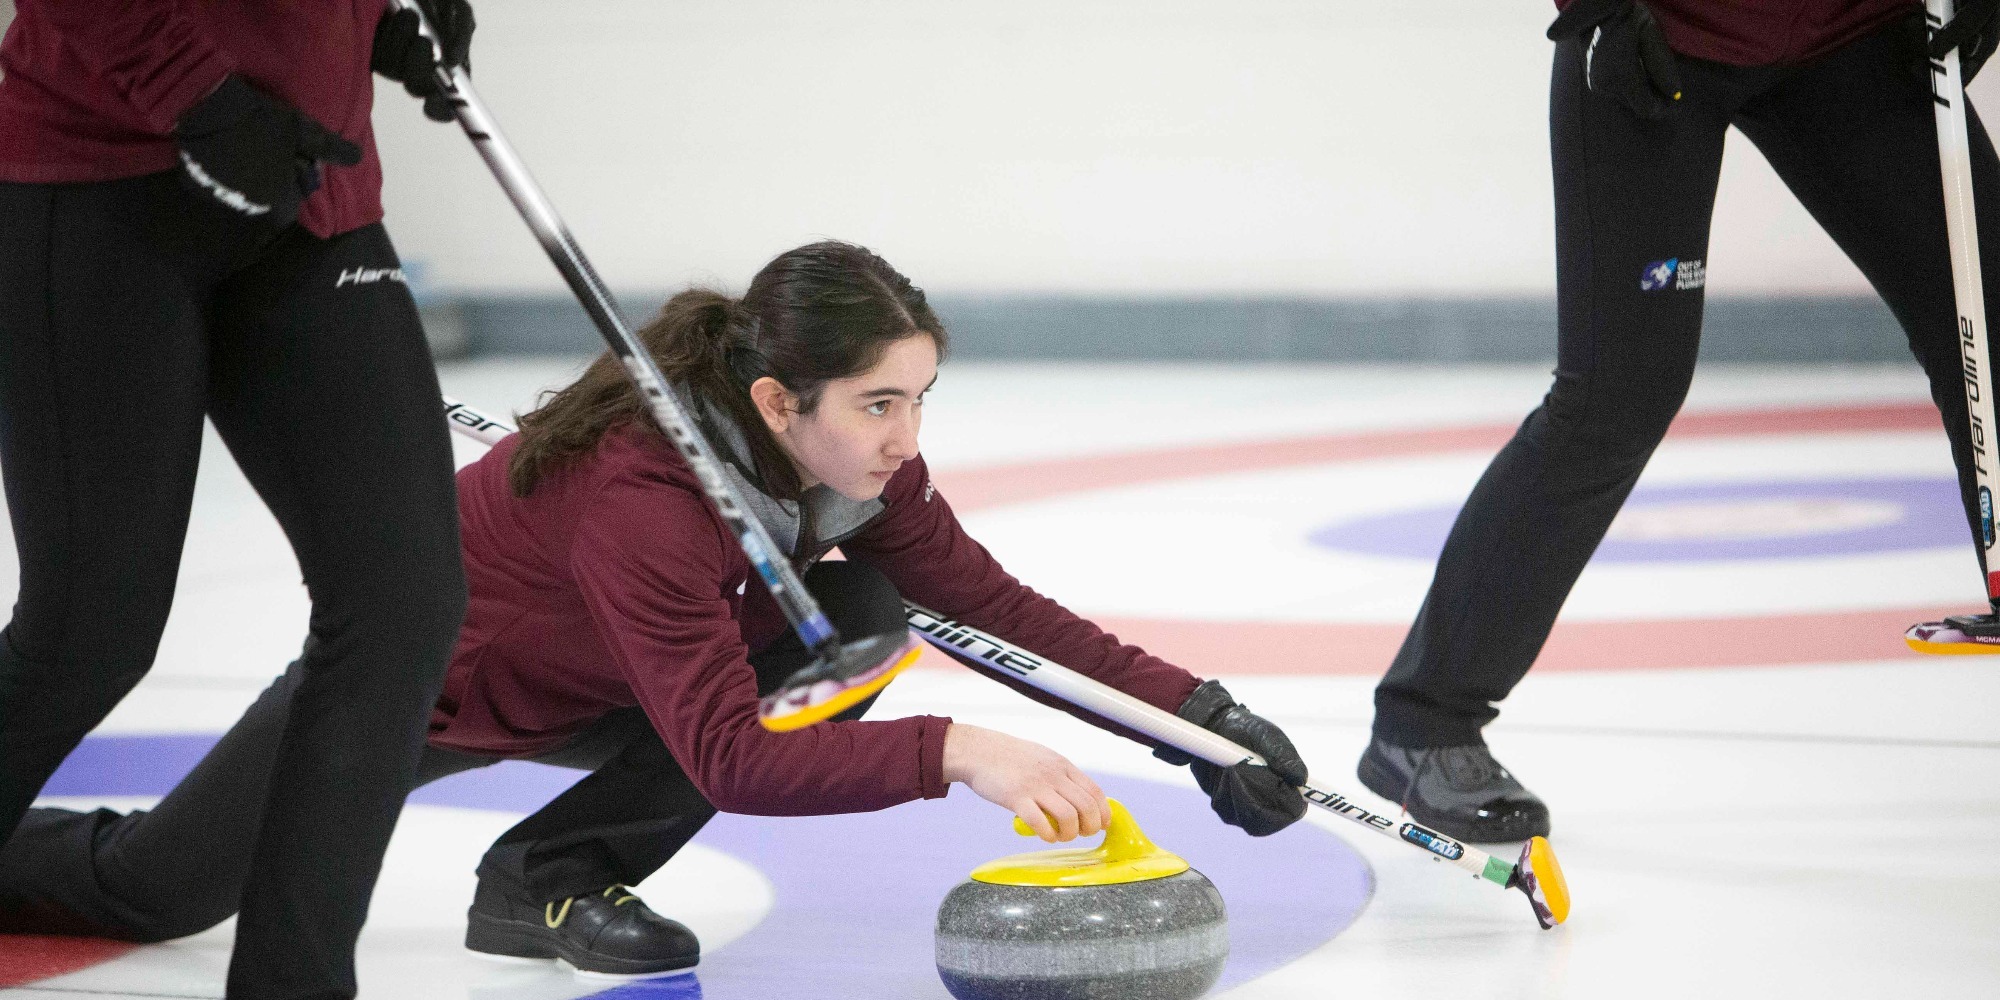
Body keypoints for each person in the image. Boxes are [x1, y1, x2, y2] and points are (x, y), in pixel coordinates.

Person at [0, 241, 1311, 980]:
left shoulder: (851, 478)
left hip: (611, 680)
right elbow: (730, 758)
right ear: (776, 403)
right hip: (423, 686)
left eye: (919, 402)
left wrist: (1202, 723)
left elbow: (995, 606)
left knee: (856, 613)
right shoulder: (646, 500)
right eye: (880, 403)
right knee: (158, 889)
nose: (906, 438)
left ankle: (546, 884)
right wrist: (955, 751)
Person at [1358, 0, 2000, 844]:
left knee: (1987, 319)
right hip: (1665, 37)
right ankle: (1425, 722)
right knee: (1620, 390)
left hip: (1852, 29)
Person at [0, 2, 476, 997]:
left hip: (309, 185)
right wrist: (201, 97)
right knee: (89, 633)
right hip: (105, 183)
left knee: (402, 603)